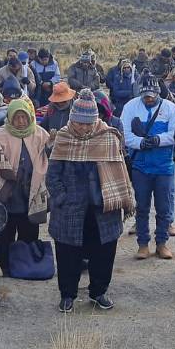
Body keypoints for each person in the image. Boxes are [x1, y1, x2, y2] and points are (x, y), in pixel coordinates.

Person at [47, 89, 133, 313]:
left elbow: (121, 169)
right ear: (72, 119)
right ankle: (67, 295)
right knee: (67, 254)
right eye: (79, 123)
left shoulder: (108, 137)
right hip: (70, 209)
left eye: (88, 123)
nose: (84, 128)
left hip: (103, 208)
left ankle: (99, 292)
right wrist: (62, 198)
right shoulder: (63, 138)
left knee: (103, 252)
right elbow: (52, 175)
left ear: (96, 120)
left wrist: (118, 196)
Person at [0, 98, 49, 276]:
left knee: (29, 231)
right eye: (17, 118)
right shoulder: (0, 135)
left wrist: (51, 147)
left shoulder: (40, 134)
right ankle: (6, 267)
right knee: (5, 233)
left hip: (31, 192)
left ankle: (26, 264)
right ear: (10, 118)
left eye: (24, 117)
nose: (21, 122)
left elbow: (49, 158)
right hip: (8, 194)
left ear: (30, 117)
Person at [123, 79, 175, 260]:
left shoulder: (170, 108)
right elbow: (124, 134)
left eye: (152, 96)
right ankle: (143, 244)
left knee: (163, 207)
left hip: (164, 166)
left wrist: (158, 140)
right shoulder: (131, 107)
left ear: (158, 93)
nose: (148, 99)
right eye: (145, 96)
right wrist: (140, 143)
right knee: (142, 206)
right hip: (141, 166)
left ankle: (162, 243)